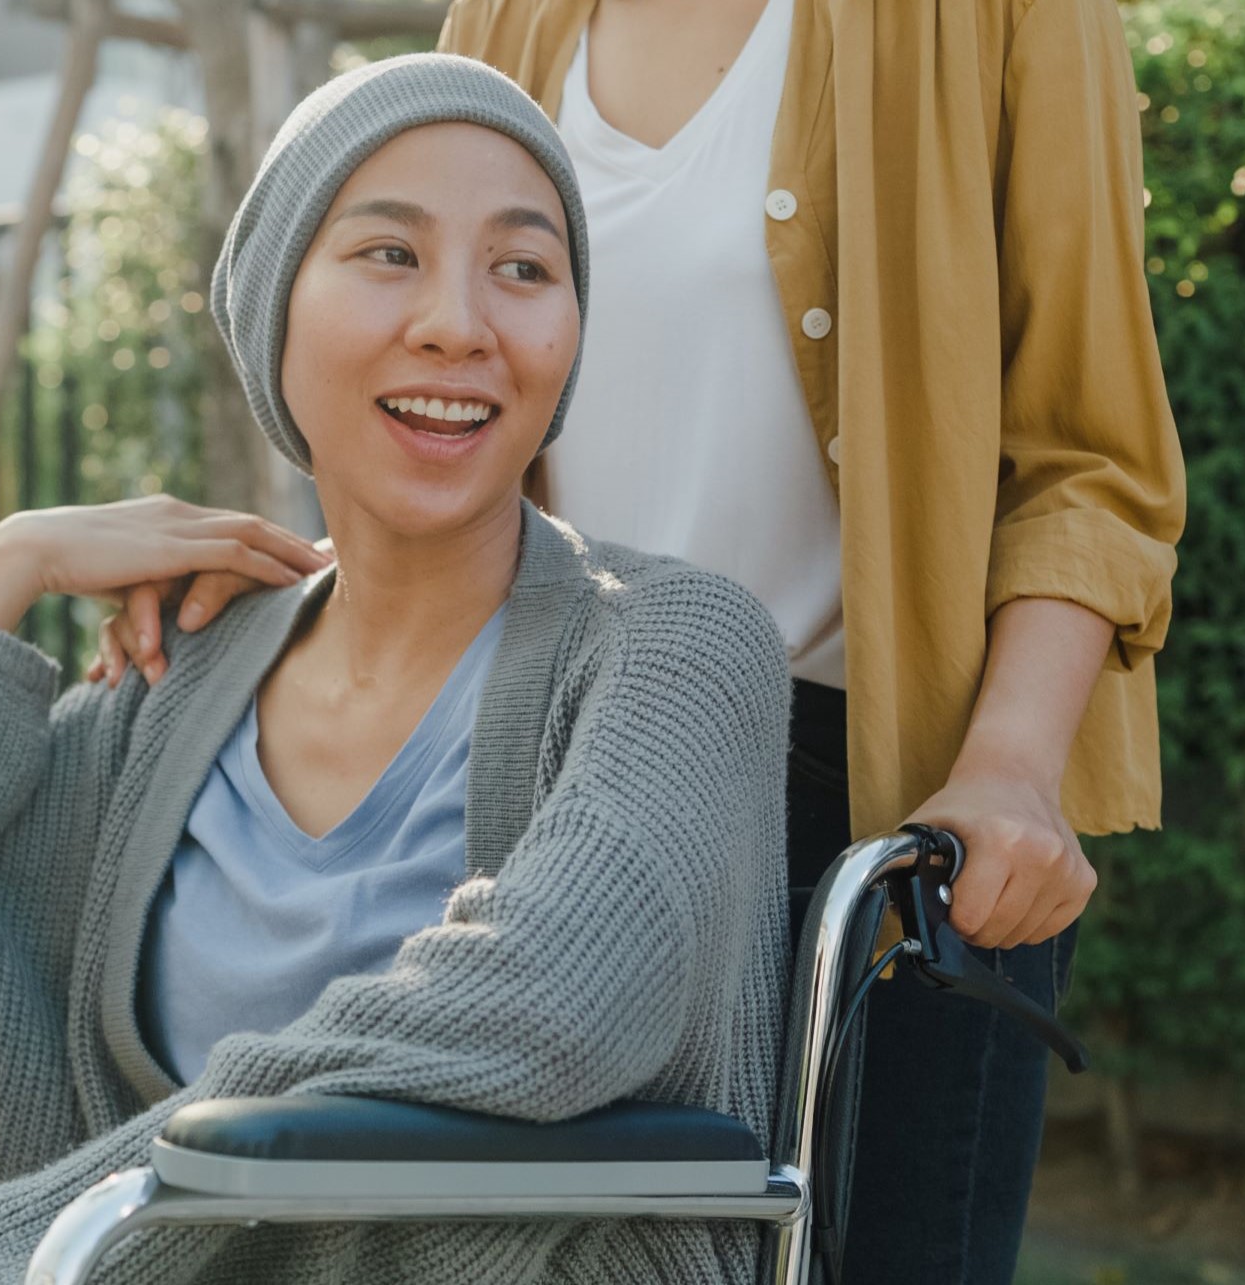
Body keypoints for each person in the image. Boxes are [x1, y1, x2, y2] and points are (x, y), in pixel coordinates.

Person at [95, 1, 1190, 1279]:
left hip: (880, 811)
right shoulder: (509, 17)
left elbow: (1090, 456)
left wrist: (1009, 765)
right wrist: (301, 596)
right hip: (558, 766)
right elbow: (454, 386)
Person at [0, 54, 793, 1285]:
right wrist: (3, 573)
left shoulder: (679, 650)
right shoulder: (175, 691)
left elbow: (553, 1009)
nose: (458, 322)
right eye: (391, 253)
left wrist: (32, 1248)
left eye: (524, 269)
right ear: (274, 312)